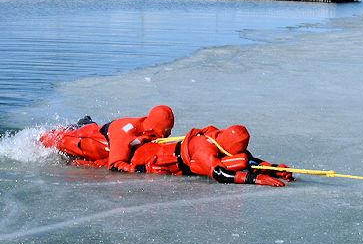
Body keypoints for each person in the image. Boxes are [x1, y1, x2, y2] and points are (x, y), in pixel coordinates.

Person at [130, 125, 295, 187]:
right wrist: (257, 179)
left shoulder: (220, 140)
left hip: (174, 160)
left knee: (242, 161)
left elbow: (246, 159)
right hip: (144, 158)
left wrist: (273, 169)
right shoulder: (204, 149)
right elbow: (220, 174)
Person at [39, 105, 175, 172]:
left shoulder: (146, 127)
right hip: (81, 139)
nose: (169, 135)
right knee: (47, 140)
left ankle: (86, 122)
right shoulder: (126, 134)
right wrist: (144, 169)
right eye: (167, 131)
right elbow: (115, 165)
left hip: (98, 133)